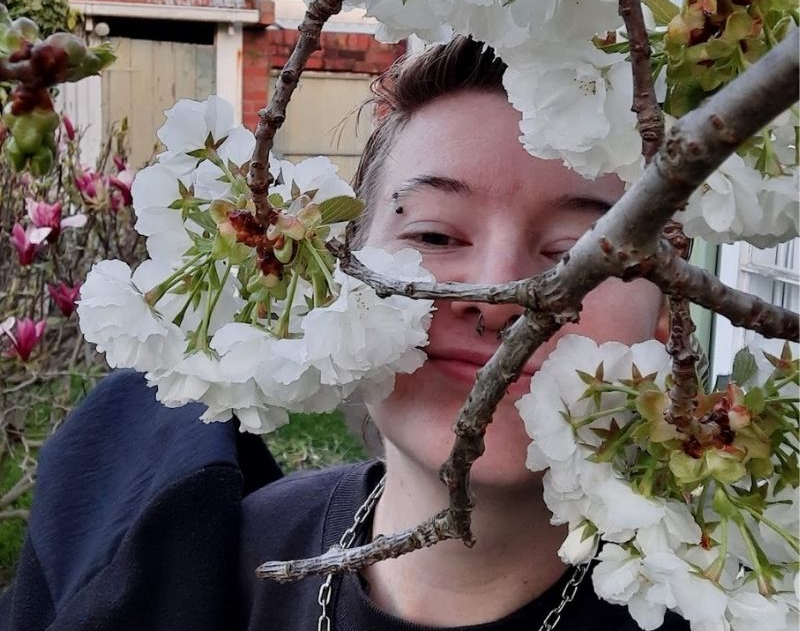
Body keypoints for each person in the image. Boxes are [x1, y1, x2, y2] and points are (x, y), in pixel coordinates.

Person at [0, 36, 688, 631]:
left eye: (579, 251)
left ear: (667, 313)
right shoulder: (192, 576)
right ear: (342, 274)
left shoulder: (747, 597)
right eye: (434, 234)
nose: (499, 300)